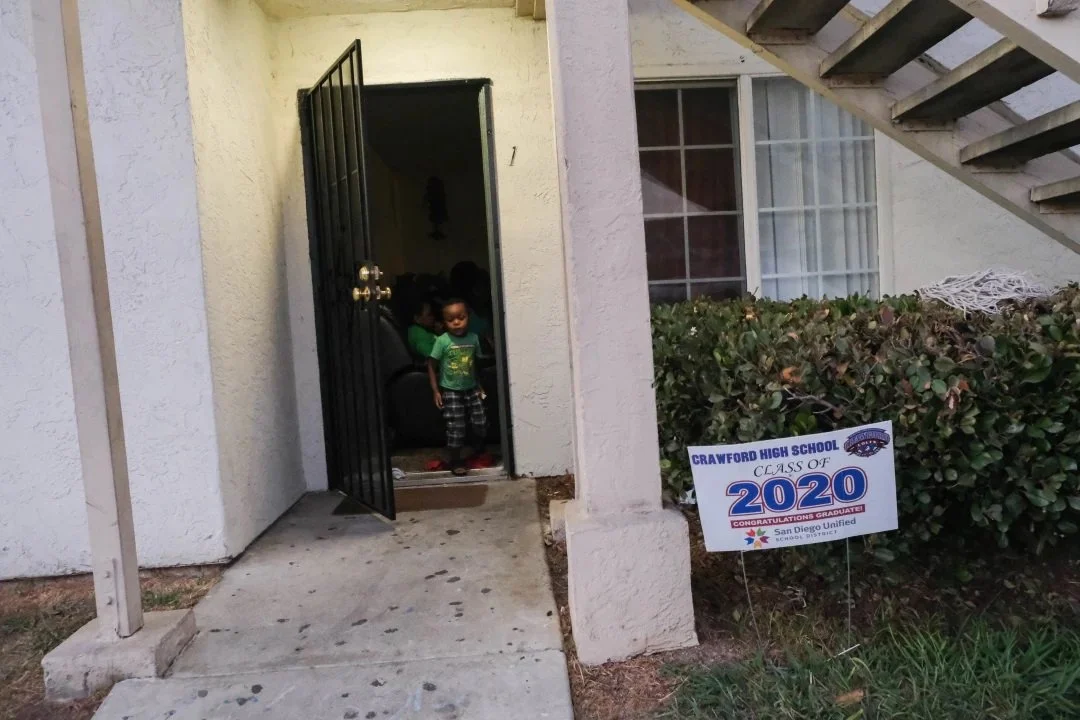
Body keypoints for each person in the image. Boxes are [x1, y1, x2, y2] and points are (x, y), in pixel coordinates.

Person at [428, 299, 492, 475]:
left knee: (480, 421)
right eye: (450, 320)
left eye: (461, 318)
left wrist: (479, 386)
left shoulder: (473, 339)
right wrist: (435, 391)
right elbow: (431, 365)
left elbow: (475, 365)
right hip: (451, 391)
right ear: (444, 322)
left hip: (471, 388)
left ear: (468, 317)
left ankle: (477, 449)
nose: (456, 322)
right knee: (456, 427)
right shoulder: (442, 341)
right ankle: (456, 459)